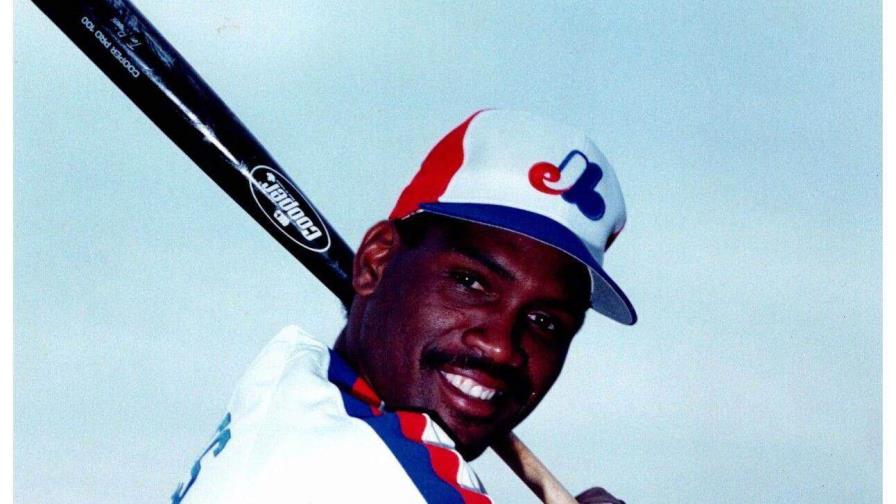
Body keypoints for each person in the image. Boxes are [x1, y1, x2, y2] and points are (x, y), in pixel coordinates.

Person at [172, 110, 635, 504]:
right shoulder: (377, 476)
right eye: (471, 282)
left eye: (545, 322)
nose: (501, 348)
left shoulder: (294, 397)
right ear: (375, 262)